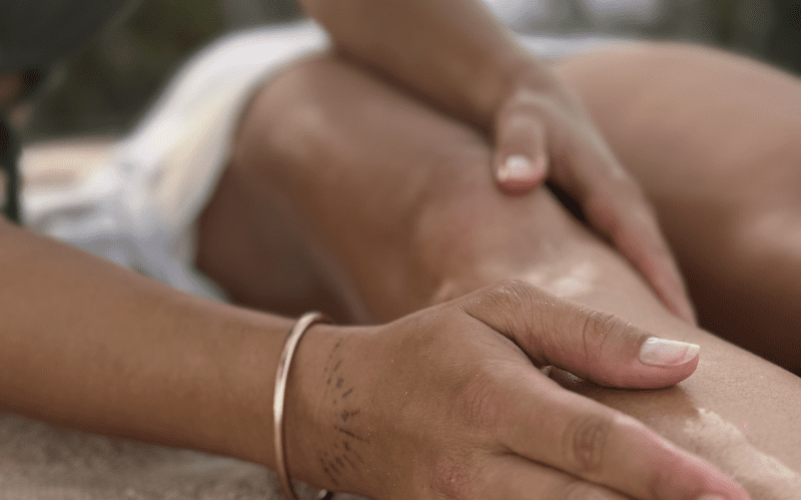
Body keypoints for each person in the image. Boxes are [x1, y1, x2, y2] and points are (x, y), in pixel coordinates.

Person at [0, 1, 762, 500]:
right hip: (258, 114)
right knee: (515, 251)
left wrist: (509, 84)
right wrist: (321, 396)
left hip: (445, 37)